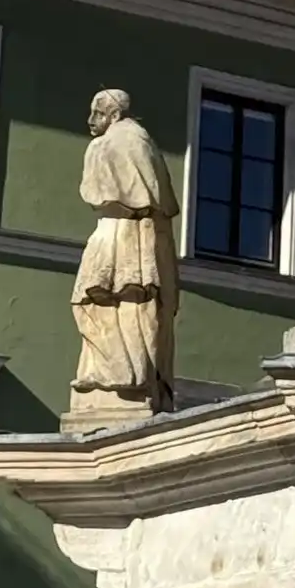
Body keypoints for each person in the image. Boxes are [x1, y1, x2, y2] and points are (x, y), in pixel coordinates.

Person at [70, 88, 179, 417]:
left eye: (98, 114)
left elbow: (93, 191)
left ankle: (118, 376)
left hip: (119, 231)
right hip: (143, 232)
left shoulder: (106, 144)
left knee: (105, 299)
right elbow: (159, 196)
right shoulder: (143, 141)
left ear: (114, 115)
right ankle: (128, 374)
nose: (91, 121)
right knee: (129, 303)